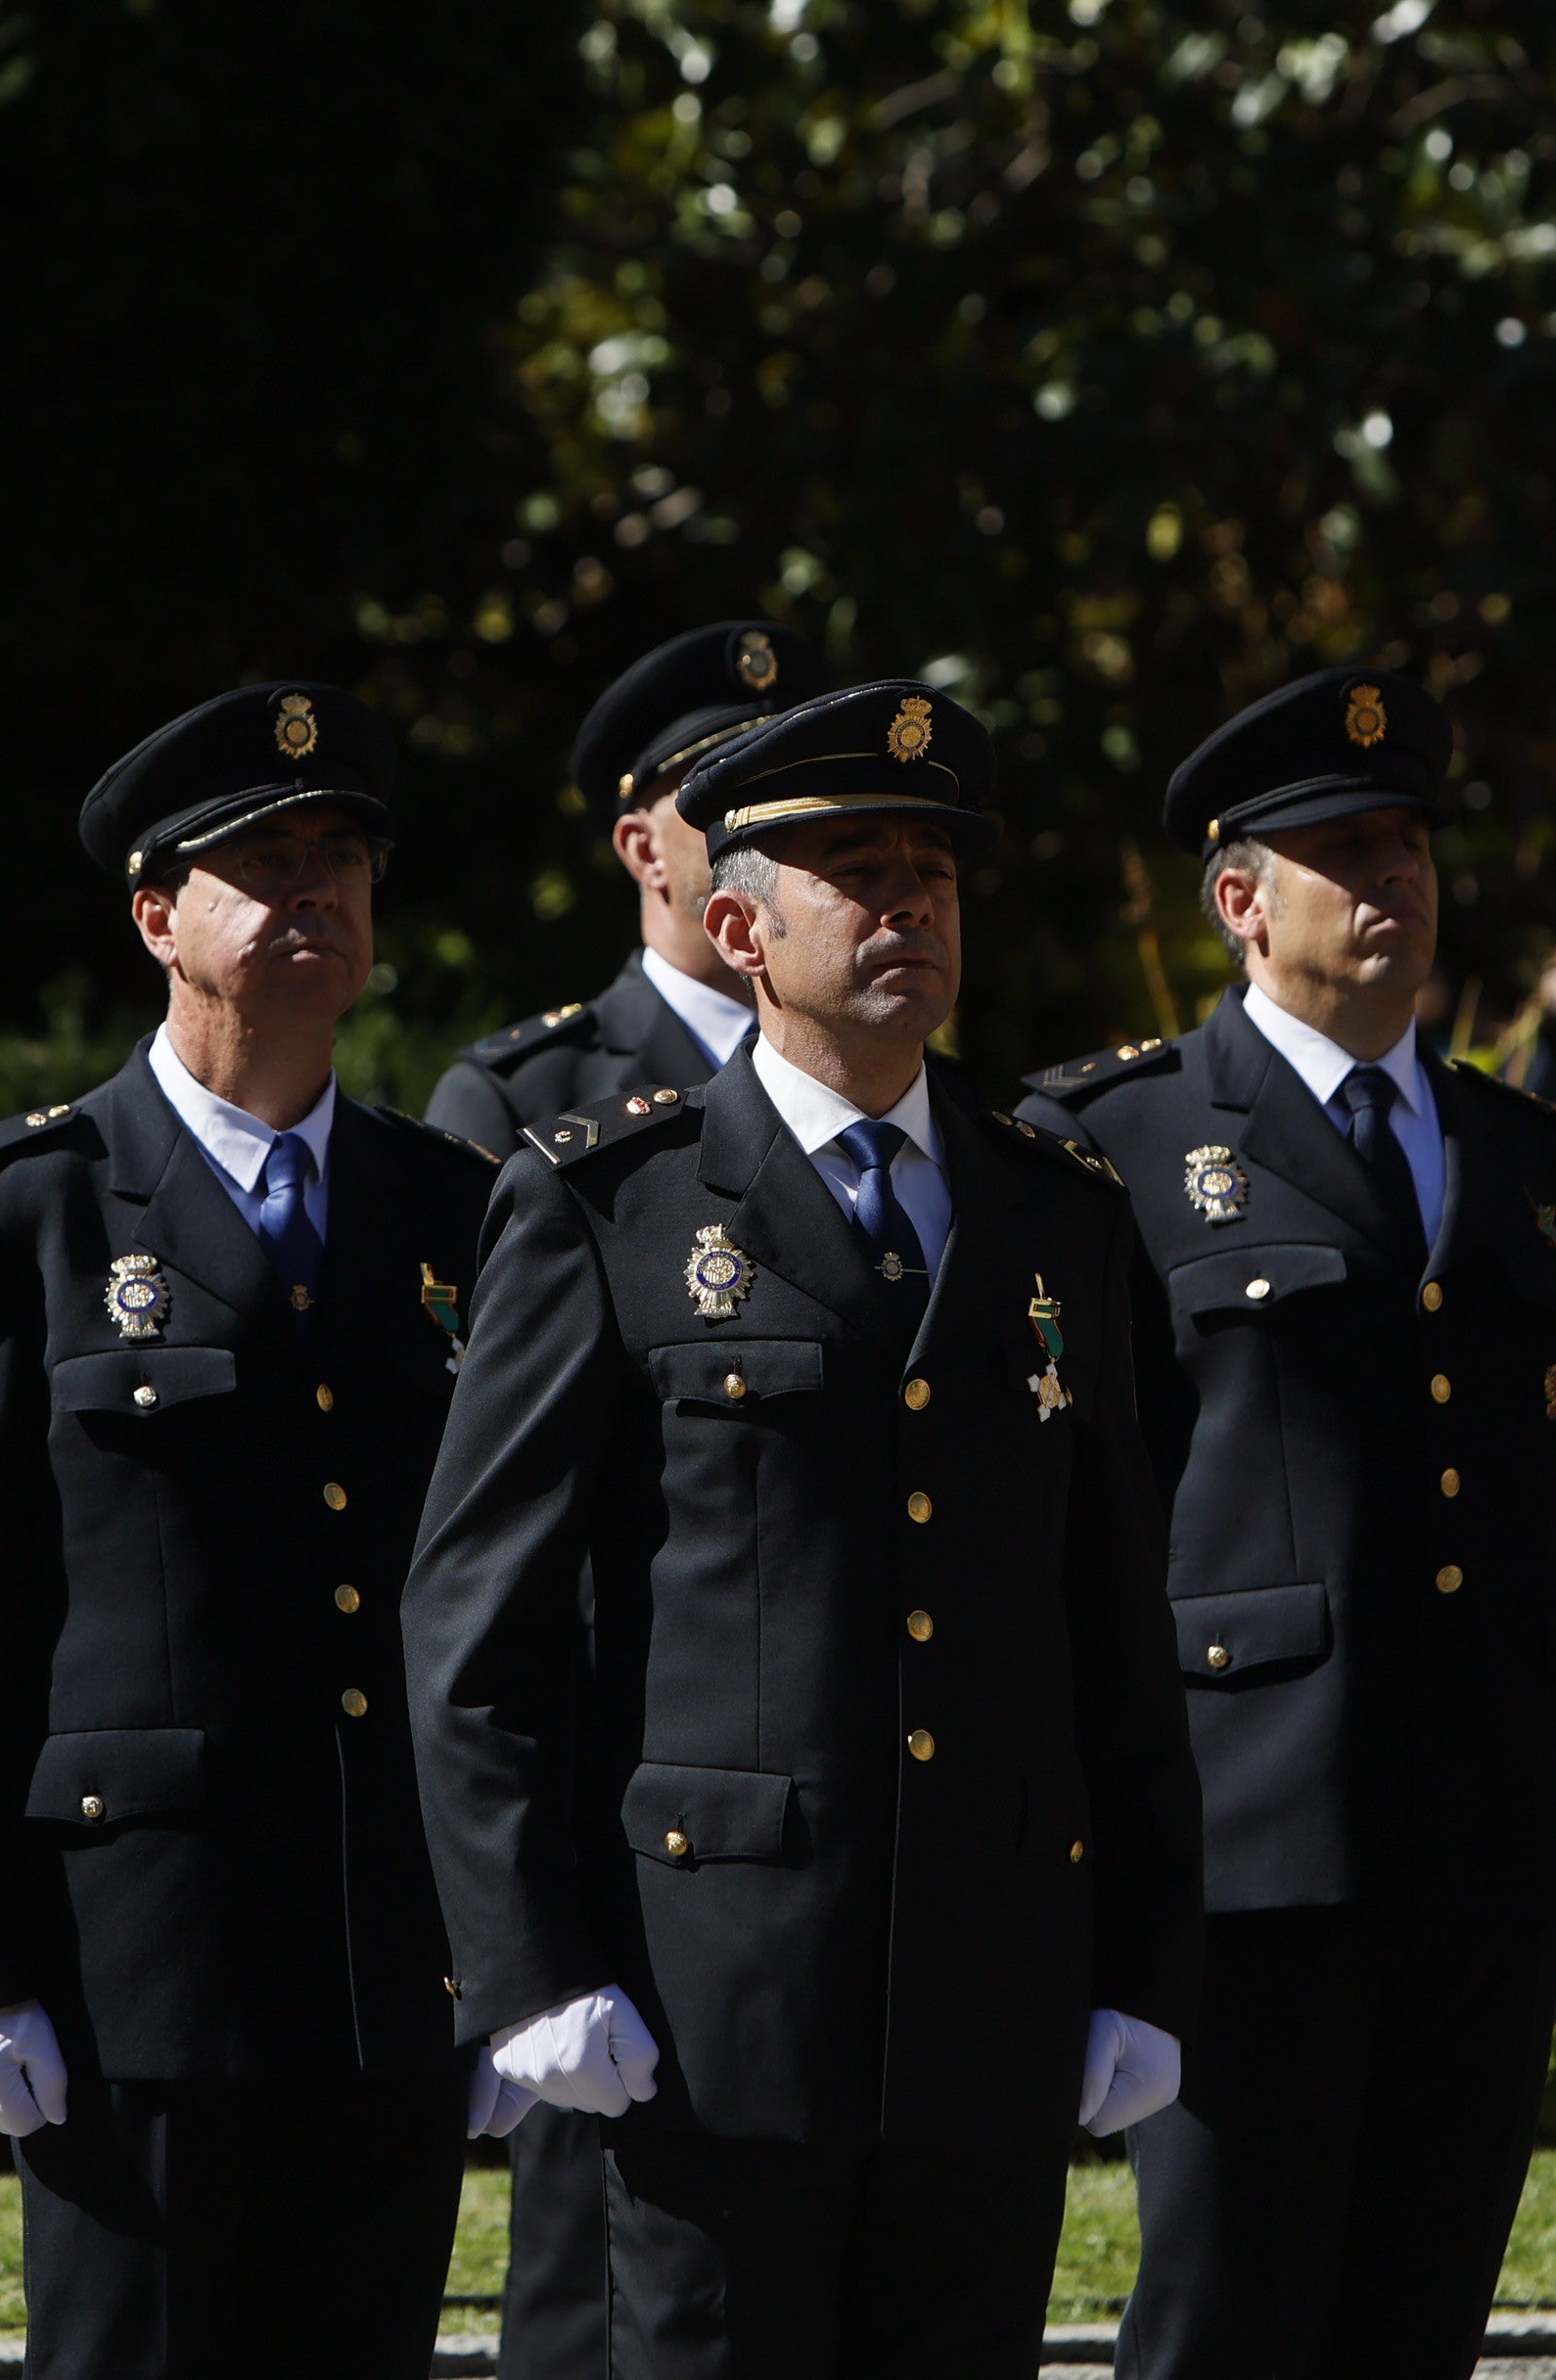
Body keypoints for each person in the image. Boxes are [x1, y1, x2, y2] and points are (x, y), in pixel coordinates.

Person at [405, 678, 1202, 2380]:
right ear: (736, 926)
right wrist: (528, 1962)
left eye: (934, 870)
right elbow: (482, 1622)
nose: (909, 902)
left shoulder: (1052, 1208)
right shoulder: (608, 1207)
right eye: (855, 867)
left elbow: (1110, 1616)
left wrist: (1137, 1956)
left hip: (984, 1995)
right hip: (712, 2003)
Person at [0, 684, 493, 2380]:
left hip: (384, 1949)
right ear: (157, 916)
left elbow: (517, 1599)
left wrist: (519, 1937)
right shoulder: (19, 1209)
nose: (313, 894)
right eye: (262, 862)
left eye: (340, 859)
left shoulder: (454, 1212)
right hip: (131, 1959)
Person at [1019, 666, 1556, 2380]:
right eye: (1342, 850)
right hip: (1246, 1851)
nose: (1392, 880)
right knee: (1231, 2316)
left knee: (1415, 2323)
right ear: (1239, 898)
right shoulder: (1110, 1144)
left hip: (1485, 1845)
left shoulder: (1532, 1158)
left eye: (1408, 846)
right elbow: (1069, 1536)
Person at [419, 621, 825, 2380]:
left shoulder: (878, 1091)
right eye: (706, 797)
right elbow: (483, 1532)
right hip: (606, 1789)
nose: (743, 827)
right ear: (643, 846)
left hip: (796, 1812)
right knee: (599, 2298)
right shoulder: (523, 1103)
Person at [422, 619, 827, 1150]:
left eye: (795, 794)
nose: (773, 820)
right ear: (644, 850)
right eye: (726, 793)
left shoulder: (896, 1072)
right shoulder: (521, 1098)